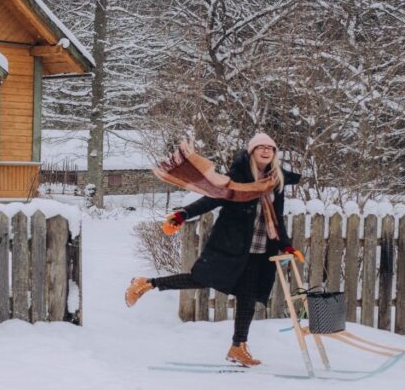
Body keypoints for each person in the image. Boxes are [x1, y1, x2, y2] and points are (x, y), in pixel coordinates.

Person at [125, 133, 303, 367]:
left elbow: (277, 218)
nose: (266, 151)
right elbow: (212, 199)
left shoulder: (275, 181)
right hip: (231, 244)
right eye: (261, 147)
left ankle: (238, 347)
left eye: (270, 148)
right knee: (200, 279)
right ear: (252, 152)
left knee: (248, 298)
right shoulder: (238, 178)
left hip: (259, 249)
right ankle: (147, 283)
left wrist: (286, 245)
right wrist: (183, 214)